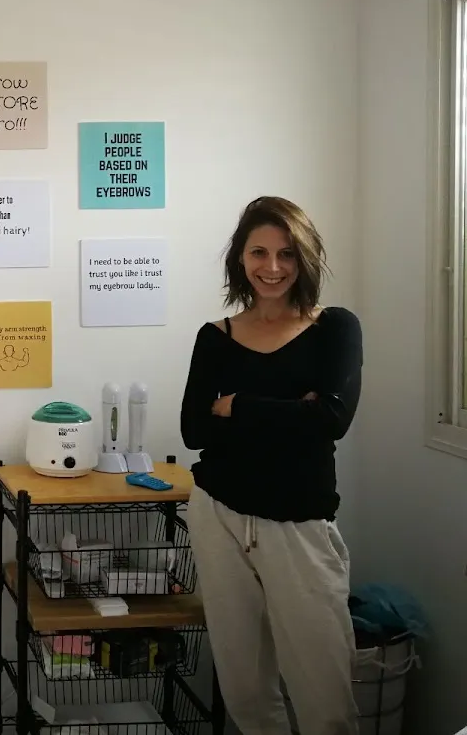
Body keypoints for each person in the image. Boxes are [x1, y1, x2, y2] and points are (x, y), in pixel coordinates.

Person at [180, 196, 362, 735]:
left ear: (305, 258)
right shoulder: (215, 337)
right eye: (259, 252)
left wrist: (237, 406)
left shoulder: (335, 328)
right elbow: (194, 431)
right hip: (218, 515)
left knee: (325, 697)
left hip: (299, 525)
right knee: (247, 694)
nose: (273, 267)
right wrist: (292, 411)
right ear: (240, 258)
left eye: (287, 253)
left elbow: (331, 419)